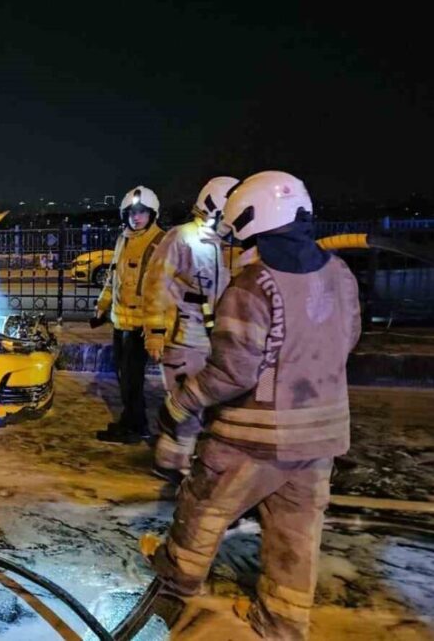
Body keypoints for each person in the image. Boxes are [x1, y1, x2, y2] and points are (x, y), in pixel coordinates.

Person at [142, 171, 361, 640]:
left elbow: (233, 372)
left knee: (204, 506)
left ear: (249, 217)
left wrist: (181, 403)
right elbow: (348, 340)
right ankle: (281, 622)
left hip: (253, 434)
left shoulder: (252, 286)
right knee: (295, 533)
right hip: (320, 435)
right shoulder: (339, 273)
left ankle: (175, 581)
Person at [142, 176, 240, 479]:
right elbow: (156, 285)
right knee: (185, 403)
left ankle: (179, 461)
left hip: (208, 338)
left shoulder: (219, 245)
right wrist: (155, 333)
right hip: (182, 338)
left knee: (200, 404)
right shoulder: (181, 238)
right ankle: (170, 464)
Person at [94, 186, 165, 444]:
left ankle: (138, 427)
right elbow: (114, 276)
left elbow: (160, 291)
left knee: (133, 381)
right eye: (133, 212)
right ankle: (129, 421)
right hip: (120, 322)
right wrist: (102, 305)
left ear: (152, 214)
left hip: (139, 327)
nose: (137, 217)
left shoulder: (158, 242)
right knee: (123, 376)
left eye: (142, 212)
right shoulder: (123, 239)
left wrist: (155, 333)